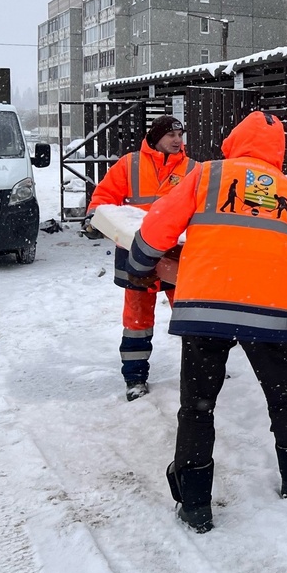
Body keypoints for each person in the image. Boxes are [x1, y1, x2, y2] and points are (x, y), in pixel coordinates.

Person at [127, 111, 287, 533]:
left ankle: (195, 505)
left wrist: (140, 261)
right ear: (278, 152)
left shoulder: (208, 175)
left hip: (206, 308)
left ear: (234, 141)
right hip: (269, 312)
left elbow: (159, 227)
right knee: (283, 397)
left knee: (197, 406)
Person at [84, 115, 196, 401]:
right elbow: (105, 196)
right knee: (137, 319)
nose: (177, 141)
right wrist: (93, 218)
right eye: (171, 135)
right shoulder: (130, 164)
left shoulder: (194, 169)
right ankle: (135, 378)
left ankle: (203, 370)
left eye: (180, 135)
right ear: (156, 137)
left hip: (177, 254)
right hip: (137, 253)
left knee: (191, 315)